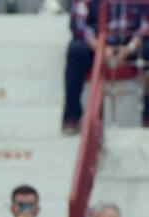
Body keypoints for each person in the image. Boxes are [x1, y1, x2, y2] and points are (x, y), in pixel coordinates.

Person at [63, 0, 149, 134]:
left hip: (132, 44)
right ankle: (72, 116)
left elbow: (146, 24)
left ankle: (147, 116)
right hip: (96, 44)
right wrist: (99, 47)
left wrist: (129, 48)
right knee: (76, 49)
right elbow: (78, 24)